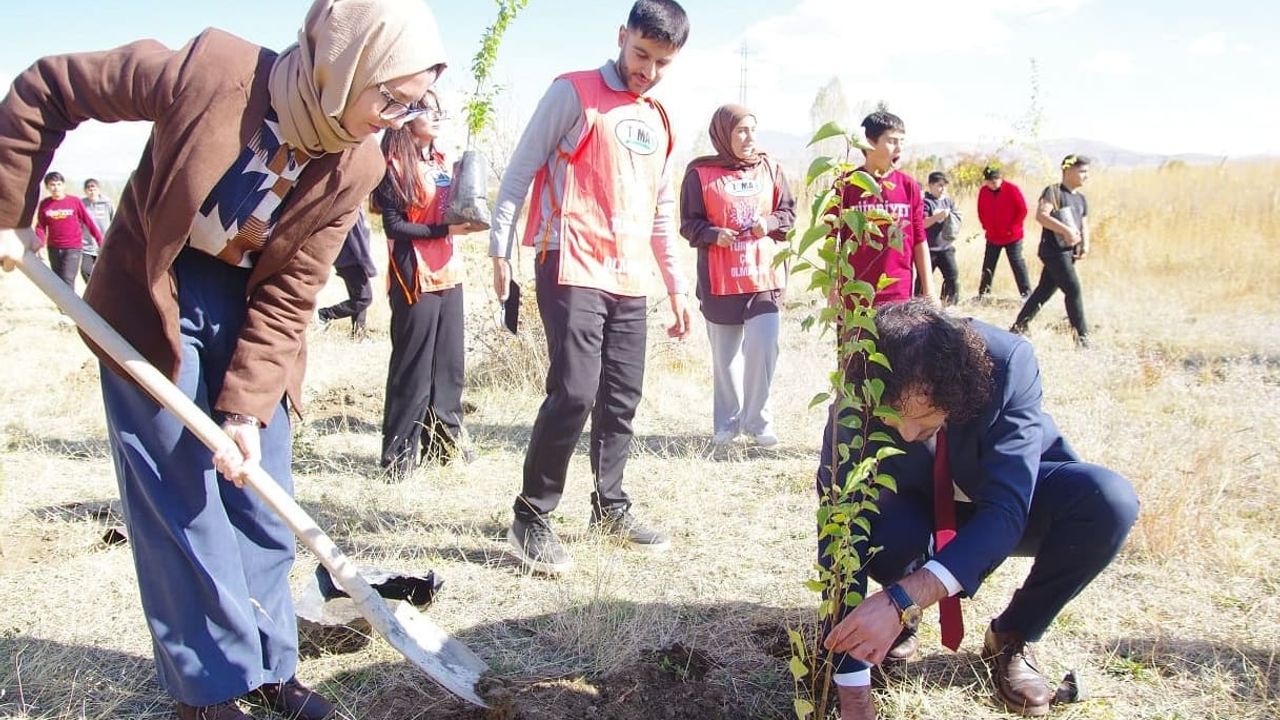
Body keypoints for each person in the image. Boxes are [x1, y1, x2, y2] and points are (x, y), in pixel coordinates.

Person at [0, 1, 446, 718]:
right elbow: (50, 87)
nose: (394, 118)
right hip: (160, 290)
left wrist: (243, 410)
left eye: (411, 104)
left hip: (254, 308)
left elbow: (295, 287)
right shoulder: (212, 71)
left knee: (263, 497)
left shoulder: (359, 160)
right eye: (388, 98)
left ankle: (270, 666)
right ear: (341, 62)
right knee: (182, 500)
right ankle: (208, 689)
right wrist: (9, 207)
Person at [816, 299, 1138, 719]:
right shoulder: (862, 382)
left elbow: (1006, 510)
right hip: (915, 508)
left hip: (1006, 503)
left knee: (1108, 502)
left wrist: (899, 598)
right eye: (894, 418)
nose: (909, 433)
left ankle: (1013, 633)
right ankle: (897, 623)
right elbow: (841, 528)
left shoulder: (1007, 363)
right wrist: (851, 686)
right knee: (877, 523)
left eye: (926, 415)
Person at [488, 0, 692, 575]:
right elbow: (520, 171)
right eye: (640, 55)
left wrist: (675, 286)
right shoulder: (572, 92)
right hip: (568, 260)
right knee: (575, 391)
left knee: (622, 396)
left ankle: (611, 505)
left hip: (628, 276)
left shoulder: (660, 118)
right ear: (621, 36)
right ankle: (531, 515)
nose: (647, 71)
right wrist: (498, 249)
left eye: (661, 63)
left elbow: (657, 211)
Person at [373, 91, 481, 475]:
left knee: (448, 366)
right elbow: (394, 225)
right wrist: (442, 228)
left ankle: (442, 444)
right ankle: (398, 457)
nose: (436, 118)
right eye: (426, 110)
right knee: (413, 367)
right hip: (414, 274)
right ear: (405, 116)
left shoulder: (439, 160)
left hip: (449, 272)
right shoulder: (389, 164)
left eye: (439, 110)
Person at [679, 103, 795, 447]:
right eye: (741, 131)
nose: (749, 138)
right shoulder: (700, 174)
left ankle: (758, 422)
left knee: (764, 346)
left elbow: (788, 213)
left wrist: (769, 223)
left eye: (753, 130)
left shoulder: (771, 168)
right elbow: (689, 224)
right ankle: (727, 424)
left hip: (764, 277)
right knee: (725, 357)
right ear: (723, 134)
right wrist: (714, 234)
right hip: (721, 280)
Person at [836, 111, 934, 306]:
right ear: (870, 143)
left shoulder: (908, 186)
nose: (899, 148)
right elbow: (833, 241)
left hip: (898, 295)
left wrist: (929, 291)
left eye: (902, 142)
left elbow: (919, 240)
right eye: (892, 141)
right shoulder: (846, 185)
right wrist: (834, 290)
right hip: (855, 294)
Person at [1011, 155, 1093, 347]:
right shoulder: (1054, 192)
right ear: (1068, 170)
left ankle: (1018, 326)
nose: (1086, 176)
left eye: (1087, 172)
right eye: (1082, 171)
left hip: (1068, 252)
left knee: (1043, 291)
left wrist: (1085, 245)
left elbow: (1084, 224)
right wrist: (1065, 231)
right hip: (1053, 251)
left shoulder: (1080, 198)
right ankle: (1082, 339)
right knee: (1073, 290)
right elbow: (1041, 215)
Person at [34, 171, 104, 290]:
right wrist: (40, 245)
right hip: (54, 247)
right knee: (57, 279)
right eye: (52, 185)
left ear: (63, 185)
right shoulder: (45, 204)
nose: (56, 188)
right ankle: (62, 307)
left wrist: (100, 240)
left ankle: (69, 308)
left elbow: (88, 222)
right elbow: (40, 227)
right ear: (47, 187)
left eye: (59, 184)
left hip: (73, 247)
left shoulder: (74, 201)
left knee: (68, 279)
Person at [317, 205, 377, 338]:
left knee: (358, 296)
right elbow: (358, 241)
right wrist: (367, 264)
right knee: (364, 298)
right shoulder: (352, 210)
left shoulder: (354, 207)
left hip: (349, 261)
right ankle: (326, 314)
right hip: (352, 261)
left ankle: (359, 334)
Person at [975, 164, 1031, 299]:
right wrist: (985, 225)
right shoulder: (983, 191)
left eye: (994, 181)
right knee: (988, 264)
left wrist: (1013, 228)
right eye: (989, 182)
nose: (992, 185)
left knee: (1017, 263)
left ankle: (1026, 294)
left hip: (1012, 236)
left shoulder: (1012, 189)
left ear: (1000, 179)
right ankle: (983, 294)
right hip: (993, 235)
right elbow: (980, 210)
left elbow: (1022, 209)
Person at [920, 171, 960, 305]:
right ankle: (918, 306)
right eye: (939, 185)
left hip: (946, 247)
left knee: (952, 276)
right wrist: (937, 216)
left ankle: (949, 305)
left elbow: (957, 220)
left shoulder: (949, 202)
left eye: (945, 186)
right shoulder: (925, 202)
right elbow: (922, 223)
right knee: (923, 279)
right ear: (931, 185)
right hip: (929, 249)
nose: (943, 189)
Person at [80, 177, 115, 282]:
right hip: (87, 245)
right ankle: (92, 289)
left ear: (98, 190)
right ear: (85, 191)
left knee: (107, 272)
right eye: (89, 189)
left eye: (94, 188)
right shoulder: (81, 204)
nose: (91, 191)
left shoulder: (107, 203)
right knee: (85, 270)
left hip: (104, 244)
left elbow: (114, 220)